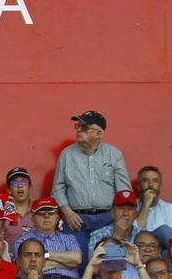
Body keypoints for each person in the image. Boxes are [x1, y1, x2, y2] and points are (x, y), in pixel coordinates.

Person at [52, 110, 132, 256]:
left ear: (99, 134)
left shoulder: (114, 155)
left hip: (108, 219)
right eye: (78, 126)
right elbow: (57, 189)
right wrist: (68, 213)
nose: (79, 130)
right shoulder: (67, 154)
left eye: (85, 127)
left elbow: (124, 192)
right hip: (77, 220)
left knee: (111, 260)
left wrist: (121, 219)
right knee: (79, 263)